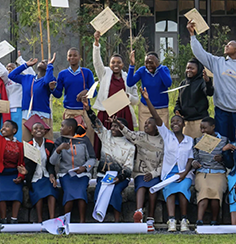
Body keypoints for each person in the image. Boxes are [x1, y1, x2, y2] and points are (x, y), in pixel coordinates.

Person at [187, 20, 236, 142]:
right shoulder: (218, 63)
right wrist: (192, 36)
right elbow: (200, 54)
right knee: (222, 141)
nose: (226, 46)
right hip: (221, 110)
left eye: (230, 44)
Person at [81, 92, 133, 222]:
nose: (113, 128)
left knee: (115, 192)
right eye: (112, 126)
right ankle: (100, 219)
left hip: (120, 177)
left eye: (117, 126)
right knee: (99, 191)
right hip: (103, 175)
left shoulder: (130, 146)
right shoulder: (106, 136)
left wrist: (118, 178)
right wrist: (88, 110)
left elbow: (128, 168)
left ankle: (116, 219)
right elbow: (97, 123)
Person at [120, 104, 165, 223]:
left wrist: (154, 174)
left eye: (149, 123)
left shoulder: (163, 141)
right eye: (145, 123)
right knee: (141, 187)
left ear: (157, 127)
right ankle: (138, 212)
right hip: (140, 172)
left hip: (154, 173)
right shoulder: (140, 136)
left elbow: (164, 162)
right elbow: (129, 134)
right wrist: (120, 125)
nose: (146, 125)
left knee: (152, 190)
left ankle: (150, 217)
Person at [51, 116, 96, 225]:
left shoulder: (84, 140)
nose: (60, 129)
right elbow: (52, 161)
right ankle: (66, 221)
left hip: (82, 175)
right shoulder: (60, 141)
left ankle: (82, 222)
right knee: (69, 194)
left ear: (70, 128)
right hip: (66, 174)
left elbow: (92, 158)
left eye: (62, 126)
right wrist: (58, 149)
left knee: (81, 194)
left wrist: (85, 167)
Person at [158, 115, 195, 232]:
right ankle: (172, 220)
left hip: (184, 173)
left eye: (178, 121)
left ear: (184, 124)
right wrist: (147, 100)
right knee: (169, 189)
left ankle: (184, 220)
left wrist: (184, 173)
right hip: (169, 173)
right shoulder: (167, 136)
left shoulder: (190, 140)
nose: (175, 123)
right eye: (172, 121)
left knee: (183, 189)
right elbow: (157, 119)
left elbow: (190, 159)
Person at [92, 33, 134, 134]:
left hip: (123, 113)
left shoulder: (127, 77)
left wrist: (129, 97)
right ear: (109, 64)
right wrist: (97, 44)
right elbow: (97, 62)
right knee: (104, 139)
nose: (116, 64)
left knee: (123, 139)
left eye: (118, 62)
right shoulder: (104, 73)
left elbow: (136, 100)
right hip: (106, 112)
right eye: (113, 62)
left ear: (123, 64)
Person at [191, 117, 230, 226]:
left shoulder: (224, 140)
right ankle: (199, 221)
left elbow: (229, 161)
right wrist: (194, 163)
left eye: (205, 128)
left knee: (216, 191)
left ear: (213, 127)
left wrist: (222, 158)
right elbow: (194, 157)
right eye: (201, 128)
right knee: (204, 189)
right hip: (203, 172)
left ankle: (214, 220)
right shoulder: (197, 141)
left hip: (218, 172)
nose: (202, 131)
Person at [0, 117, 26, 224]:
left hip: (14, 173)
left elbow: (22, 163)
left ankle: (14, 219)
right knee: (0, 192)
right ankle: (3, 219)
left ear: (14, 131)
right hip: (0, 174)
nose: (3, 128)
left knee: (18, 192)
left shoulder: (20, 145)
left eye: (7, 126)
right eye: (3, 126)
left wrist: (21, 176)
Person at [128, 48, 172, 132]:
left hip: (161, 109)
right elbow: (130, 82)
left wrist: (158, 67)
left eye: (151, 62)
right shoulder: (142, 70)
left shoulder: (163, 69)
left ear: (157, 62)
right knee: (144, 134)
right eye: (146, 63)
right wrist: (132, 65)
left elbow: (168, 84)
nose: (148, 65)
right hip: (145, 108)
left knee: (163, 135)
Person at [51, 47, 94, 132]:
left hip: (84, 111)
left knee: (87, 137)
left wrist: (86, 91)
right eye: (70, 56)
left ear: (79, 57)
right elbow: (58, 94)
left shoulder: (87, 72)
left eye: (75, 55)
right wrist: (52, 89)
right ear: (67, 58)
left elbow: (94, 92)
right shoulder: (62, 74)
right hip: (69, 112)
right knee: (69, 137)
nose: (72, 58)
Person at [25, 121, 60, 222]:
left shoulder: (49, 144)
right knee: (38, 194)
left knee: (51, 192)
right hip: (34, 176)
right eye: (35, 129)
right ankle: (40, 220)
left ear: (45, 131)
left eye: (41, 128)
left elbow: (50, 163)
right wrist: (25, 173)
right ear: (32, 132)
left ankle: (52, 218)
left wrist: (52, 175)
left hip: (46, 175)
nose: (38, 130)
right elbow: (28, 164)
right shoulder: (29, 145)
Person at [173, 58, 214, 139]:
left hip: (198, 121)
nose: (189, 70)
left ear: (198, 70)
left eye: (192, 68)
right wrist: (177, 109)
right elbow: (179, 100)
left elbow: (209, 92)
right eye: (188, 68)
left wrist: (208, 82)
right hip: (186, 122)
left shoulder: (201, 82)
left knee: (199, 148)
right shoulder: (183, 83)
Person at [22, 56, 57, 140]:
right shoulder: (28, 78)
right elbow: (12, 75)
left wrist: (50, 65)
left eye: (46, 62)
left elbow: (47, 81)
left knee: (46, 143)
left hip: (43, 115)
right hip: (27, 115)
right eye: (42, 61)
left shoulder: (50, 79)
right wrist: (26, 65)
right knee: (27, 144)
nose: (43, 62)